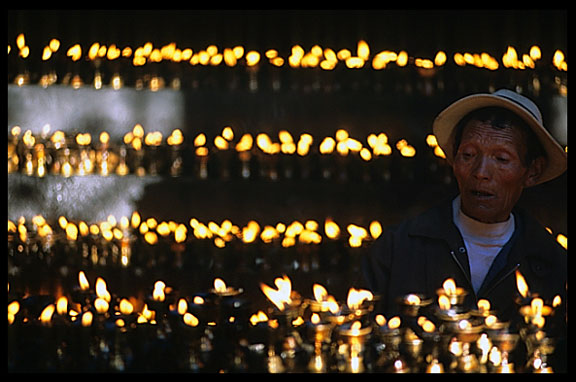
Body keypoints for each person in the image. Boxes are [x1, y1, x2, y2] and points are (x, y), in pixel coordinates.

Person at [361, 89, 567, 369]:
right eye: (469, 155)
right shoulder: (398, 247)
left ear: (531, 171)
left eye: (501, 159)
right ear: (453, 161)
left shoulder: (552, 263)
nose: (481, 171)